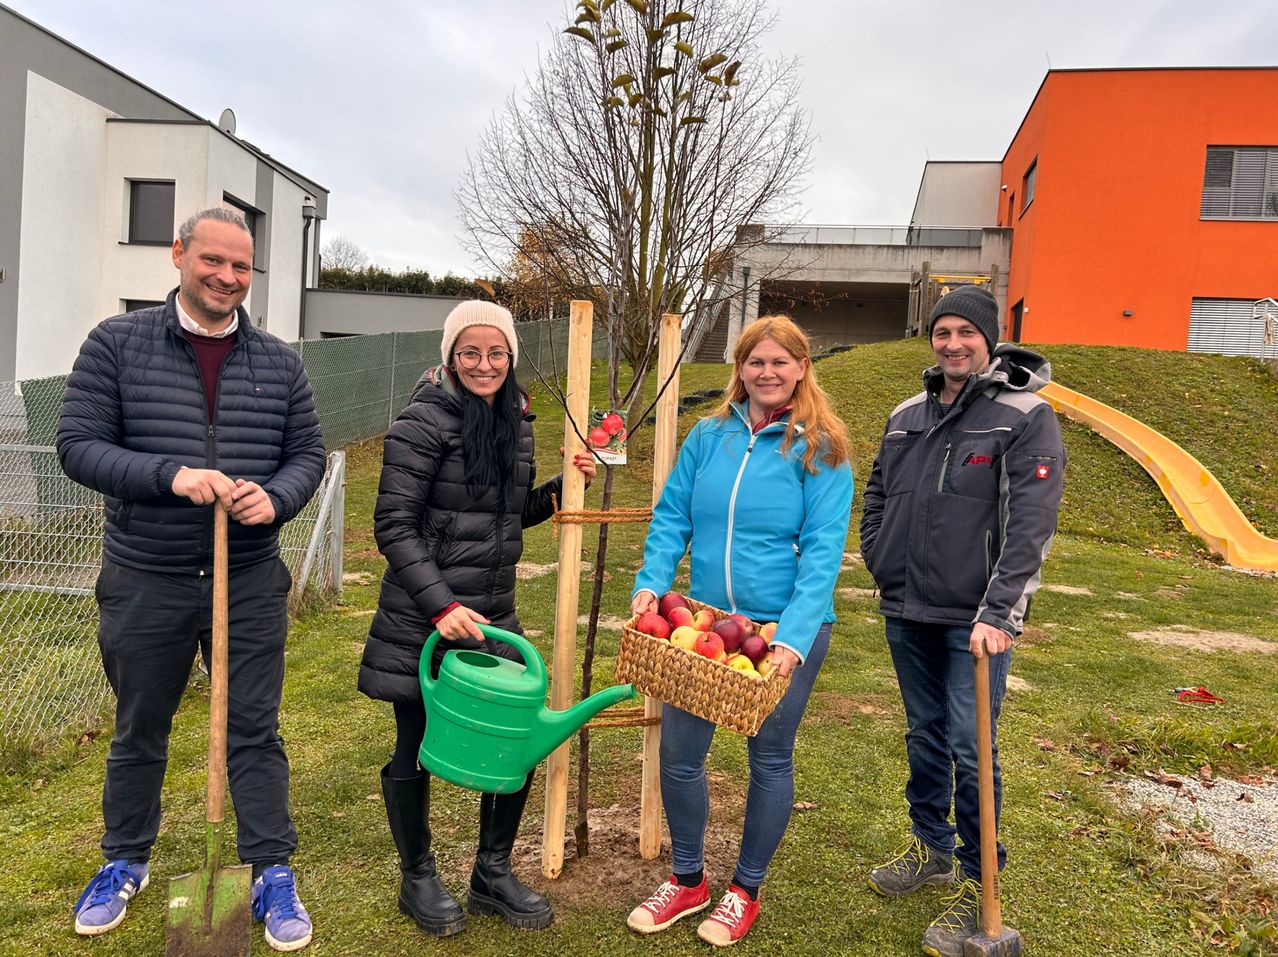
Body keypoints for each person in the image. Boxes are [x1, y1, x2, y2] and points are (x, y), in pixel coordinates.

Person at [57, 208, 327, 951]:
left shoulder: (279, 361)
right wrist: (167, 475)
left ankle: (270, 868)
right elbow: (77, 445)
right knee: (140, 725)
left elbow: (308, 453)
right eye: (213, 260)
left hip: (245, 578)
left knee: (252, 728)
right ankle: (124, 859)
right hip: (148, 575)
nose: (228, 278)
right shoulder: (117, 344)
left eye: (242, 267)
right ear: (178, 254)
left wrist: (276, 496)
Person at [358, 300, 595, 937]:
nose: (484, 365)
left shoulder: (515, 421)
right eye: (470, 353)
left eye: (496, 353)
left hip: (492, 615)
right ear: (451, 357)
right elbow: (393, 525)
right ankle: (418, 876)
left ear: (510, 356)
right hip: (426, 616)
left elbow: (508, 514)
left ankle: (491, 873)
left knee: (516, 741)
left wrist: (561, 490)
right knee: (415, 740)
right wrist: (442, 606)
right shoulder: (423, 420)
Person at [625, 315, 854, 947]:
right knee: (679, 756)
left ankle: (744, 890)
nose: (768, 373)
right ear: (740, 369)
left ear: (802, 368)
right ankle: (689, 880)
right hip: (704, 623)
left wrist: (793, 637)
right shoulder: (707, 435)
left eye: (781, 362)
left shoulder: (822, 447)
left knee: (770, 758)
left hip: (780, 631)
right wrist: (650, 579)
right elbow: (672, 515)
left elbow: (824, 552)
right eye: (757, 362)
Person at [859, 284, 1065, 957]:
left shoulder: (1025, 416)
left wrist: (1001, 610)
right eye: (942, 332)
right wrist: (882, 561)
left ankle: (981, 884)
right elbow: (878, 492)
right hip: (908, 606)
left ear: (989, 338)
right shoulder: (905, 415)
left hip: (975, 621)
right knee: (924, 736)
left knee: (971, 749)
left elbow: (1030, 523)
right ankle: (931, 848)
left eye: (965, 333)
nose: (952, 344)